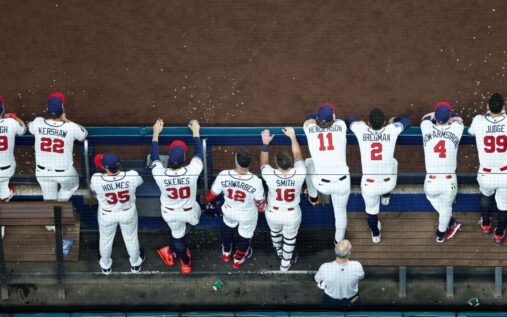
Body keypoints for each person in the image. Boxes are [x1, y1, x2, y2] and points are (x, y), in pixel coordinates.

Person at [348, 108, 410, 243]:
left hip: (369, 185)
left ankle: (375, 235)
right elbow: (406, 120)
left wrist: (362, 124)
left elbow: (350, 120)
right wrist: (393, 121)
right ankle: (386, 196)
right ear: (384, 122)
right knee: (393, 162)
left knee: (371, 211)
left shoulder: (361, 130)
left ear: (369, 122)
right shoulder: (391, 130)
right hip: (388, 183)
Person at [152, 119, 203, 275]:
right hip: (190, 212)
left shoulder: (159, 173)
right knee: (193, 219)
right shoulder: (192, 170)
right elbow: (199, 153)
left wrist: (155, 134)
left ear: (167, 158)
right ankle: (172, 248)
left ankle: (185, 264)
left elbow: (154, 156)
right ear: (184, 159)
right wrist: (195, 131)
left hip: (170, 213)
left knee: (178, 236)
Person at [206, 149, 265, 269]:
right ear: (250, 163)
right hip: (247, 214)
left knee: (228, 227)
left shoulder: (223, 175)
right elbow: (260, 206)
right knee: (245, 235)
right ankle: (237, 261)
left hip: (229, 210)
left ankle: (226, 253)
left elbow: (210, 196)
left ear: (237, 163)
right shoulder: (256, 181)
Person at [260, 127, 306, 271]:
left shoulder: (270, 174)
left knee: (275, 232)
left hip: (273, 213)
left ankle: (279, 251)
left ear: (277, 164)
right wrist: (292, 137)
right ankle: (285, 263)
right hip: (292, 214)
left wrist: (266, 143)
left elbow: (263, 163)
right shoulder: (300, 172)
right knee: (290, 239)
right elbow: (298, 154)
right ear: (290, 163)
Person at [90, 152, 145, 274]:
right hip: (127, 212)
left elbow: (93, 188)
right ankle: (135, 265)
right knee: (131, 239)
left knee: (105, 239)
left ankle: (105, 266)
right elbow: (140, 181)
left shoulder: (96, 179)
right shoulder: (132, 176)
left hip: (107, 214)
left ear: (105, 168)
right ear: (119, 164)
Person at [303, 103, 350, 244]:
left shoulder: (310, 128)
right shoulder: (341, 126)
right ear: (333, 118)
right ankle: (338, 242)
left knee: (308, 163)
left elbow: (308, 119)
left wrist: (315, 119)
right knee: (340, 212)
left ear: (317, 118)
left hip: (322, 184)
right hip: (343, 184)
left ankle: (313, 197)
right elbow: (337, 119)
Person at [28, 92, 88, 201]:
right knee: (71, 187)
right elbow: (84, 134)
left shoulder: (38, 122)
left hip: (43, 172)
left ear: (48, 109)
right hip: (64, 172)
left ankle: (54, 210)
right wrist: (66, 120)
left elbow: (29, 127)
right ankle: (61, 203)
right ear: (62, 109)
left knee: (49, 200)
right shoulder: (71, 127)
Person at [421, 101, 464, 243]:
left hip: (431, 181)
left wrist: (435, 115)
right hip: (449, 181)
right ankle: (440, 234)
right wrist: (450, 117)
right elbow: (459, 119)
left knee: (431, 197)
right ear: (449, 117)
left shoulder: (426, 127)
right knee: (446, 208)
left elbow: (425, 118)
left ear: (435, 117)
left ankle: (451, 221)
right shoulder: (457, 129)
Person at [468, 93, 507, 244]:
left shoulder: (478, 121)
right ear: (503, 108)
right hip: (505, 174)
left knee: (485, 196)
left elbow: (471, 132)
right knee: (504, 206)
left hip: (486, 174)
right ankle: (499, 233)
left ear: (487, 107)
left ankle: (485, 223)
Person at [315, 240, 364, 308]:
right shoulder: (357, 266)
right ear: (349, 253)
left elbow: (317, 279)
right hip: (353, 300)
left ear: (335, 251)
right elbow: (361, 277)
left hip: (330, 301)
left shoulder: (325, 267)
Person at [0, 95, 27, 202]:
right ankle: (5, 195)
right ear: (2, 109)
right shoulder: (11, 123)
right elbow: (23, 130)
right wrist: (14, 117)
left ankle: (5, 193)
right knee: (4, 192)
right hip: (7, 170)